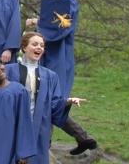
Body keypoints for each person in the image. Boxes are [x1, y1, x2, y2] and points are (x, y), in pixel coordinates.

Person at [27, 0, 97, 155]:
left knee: (48, 101)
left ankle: (43, 147)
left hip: (58, 59)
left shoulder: (68, 2)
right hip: (53, 58)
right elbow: (54, 23)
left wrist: (36, 24)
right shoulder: (63, 1)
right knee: (48, 100)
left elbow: (59, 29)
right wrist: (38, 21)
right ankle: (82, 138)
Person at [6, 32, 89, 164]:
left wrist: (68, 101)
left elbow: (54, 105)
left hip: (38, 128)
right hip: (12, 126)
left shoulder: (51, 76)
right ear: (24, 47)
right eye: (34, 44)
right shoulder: (8, 71)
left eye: (42, 45)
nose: (39, 47)